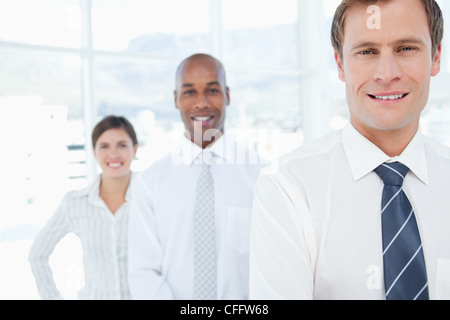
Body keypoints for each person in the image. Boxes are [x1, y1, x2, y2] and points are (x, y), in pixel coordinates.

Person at [249, 0, 450, 300]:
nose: (386, 73)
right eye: (367, 51)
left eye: (406, 48)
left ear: (435, 57)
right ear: (340, 64)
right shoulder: (288, 188)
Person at [127, 53, 264, 300]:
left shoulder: (262, 176)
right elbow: (143, 270)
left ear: (227, 95)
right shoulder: (150, 183)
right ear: (176, 99)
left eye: (212, 90)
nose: (201, 103)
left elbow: (272, 264)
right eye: (189, 92)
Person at [28, 115, 139, 300]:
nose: (114, 154)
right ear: (94, 152)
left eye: (122, 145)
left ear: (135, 150)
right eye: (104, 146)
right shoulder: (75, 203)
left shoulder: (152, 197)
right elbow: (37, 255)